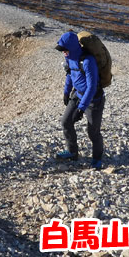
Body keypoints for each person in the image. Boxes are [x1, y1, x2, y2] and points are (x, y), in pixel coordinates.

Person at [54, 30, 105, 169]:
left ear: (72, 48)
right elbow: (70, 75)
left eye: (65, 50)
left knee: (93, 132)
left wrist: (81, 109)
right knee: (65, 122)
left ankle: (97, 159)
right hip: (77, 95)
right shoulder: (69, 57)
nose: (63, 52)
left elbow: (92, 87)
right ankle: (72, 152)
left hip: (93, 99)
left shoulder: (88, 61)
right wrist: (66, 92)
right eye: (62, 50)